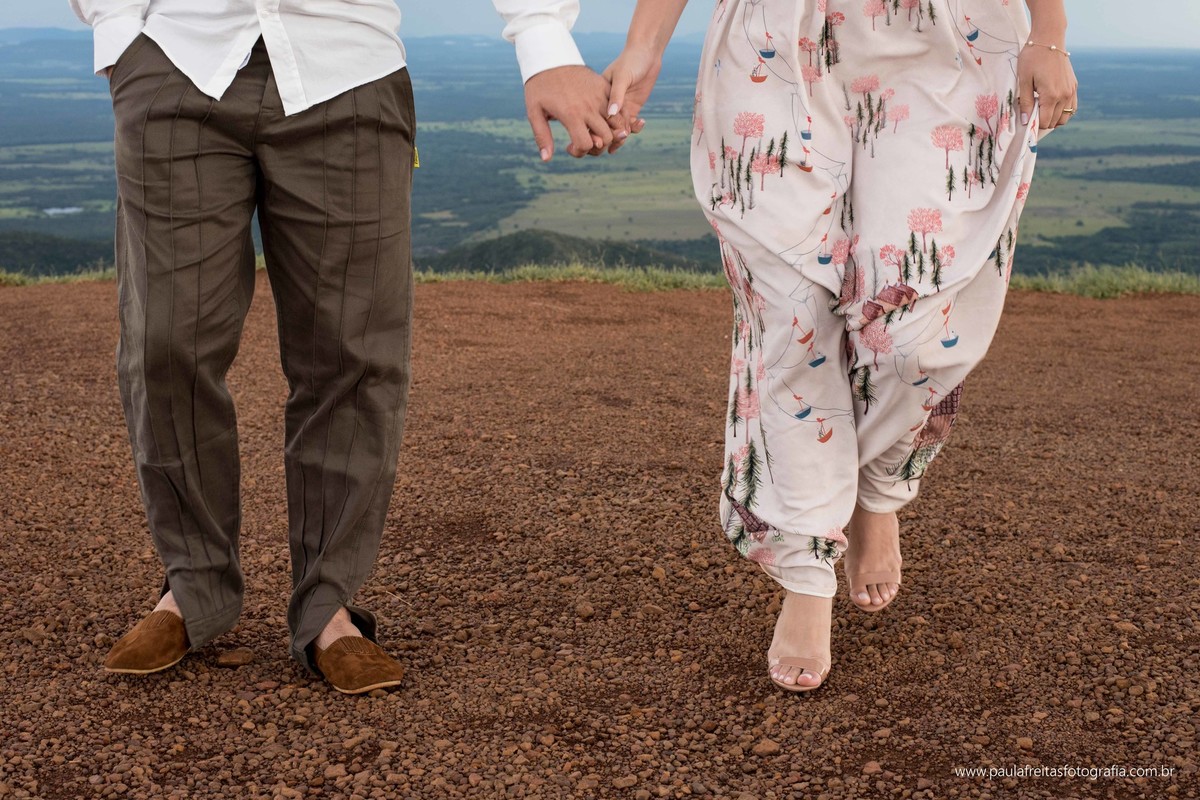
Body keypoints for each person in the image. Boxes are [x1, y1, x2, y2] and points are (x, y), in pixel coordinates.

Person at [69, 0, 627, 694]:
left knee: (353, 353)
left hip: (350, 68)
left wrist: (543, 38)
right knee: (164, 341)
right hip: (176, 54)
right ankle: (192, 586)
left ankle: (328, 607)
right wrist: (117, 31)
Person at [604, 0, 1077, 692]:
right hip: (774, 39)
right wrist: (644, 45)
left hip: (947, 39)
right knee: (790, 316)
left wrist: (1052, 33)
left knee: (921, 343)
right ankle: (806, 569)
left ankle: (877, 485)